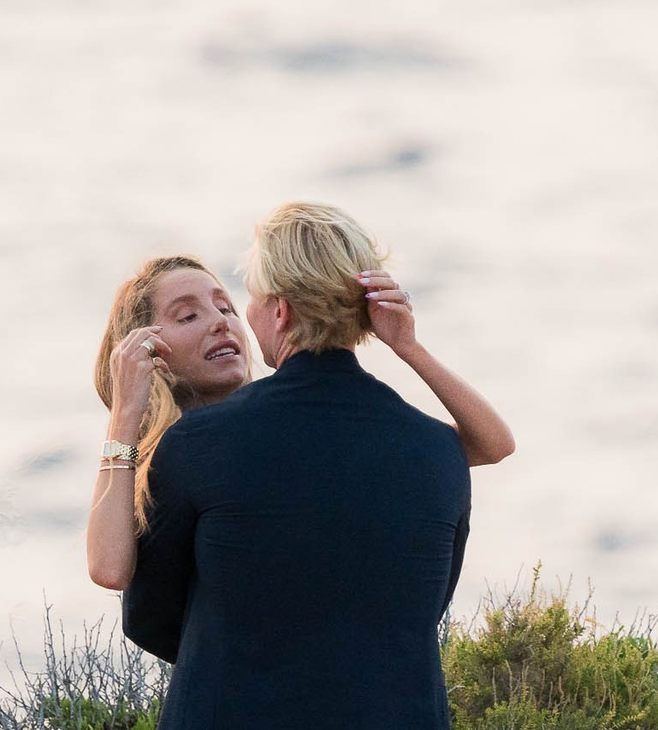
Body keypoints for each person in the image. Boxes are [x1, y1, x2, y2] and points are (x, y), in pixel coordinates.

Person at [117, 203, 490, 730]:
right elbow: (421, 604)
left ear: (278, 312)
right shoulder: (437, 452)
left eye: (245, 298)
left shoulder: (201, 445)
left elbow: (149, 613)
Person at [86, 254, 512, 592]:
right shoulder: (156, 461)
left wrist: (408, 347)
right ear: (147, 352)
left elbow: (490, 446)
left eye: (225, 306)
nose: (221, 322)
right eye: (187, 316)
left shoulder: (292, 423)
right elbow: (108, 570)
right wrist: (125, 415)